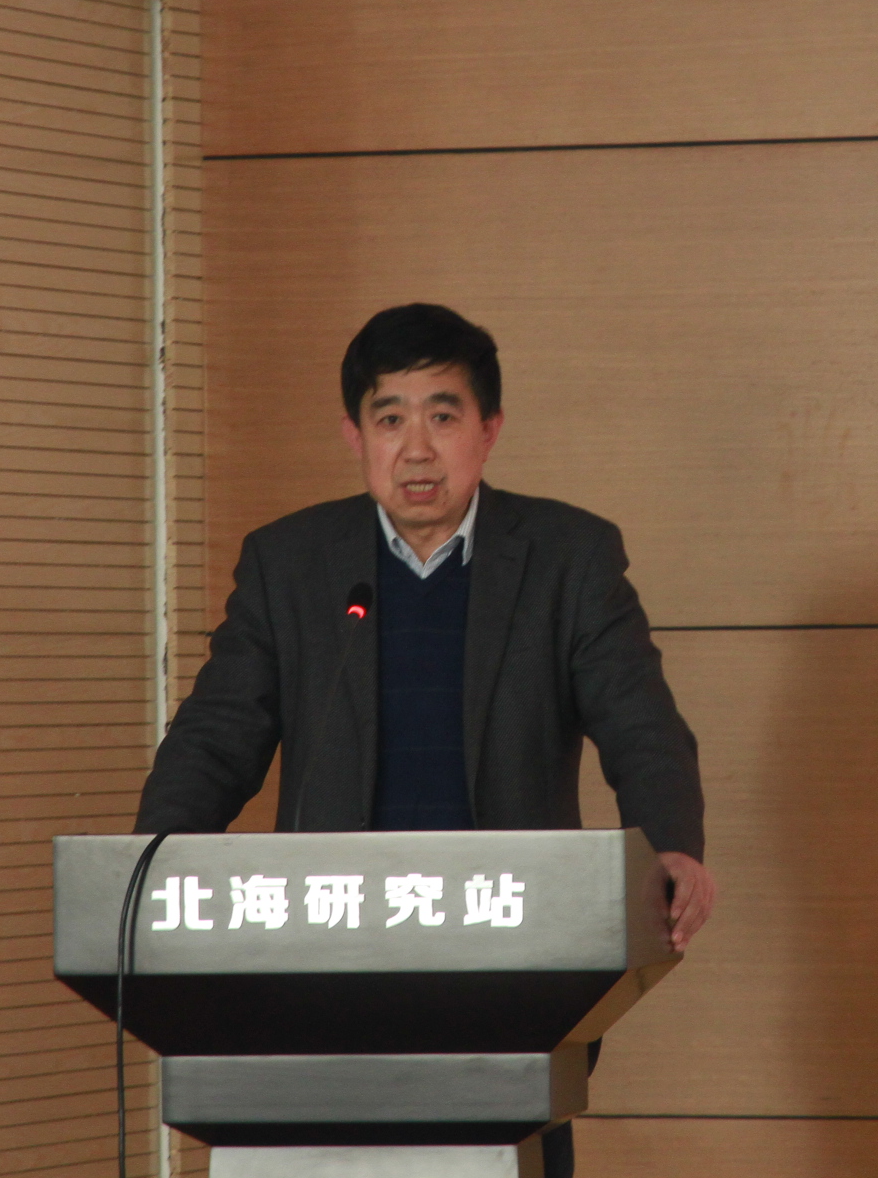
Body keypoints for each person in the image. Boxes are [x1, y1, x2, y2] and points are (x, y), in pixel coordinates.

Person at [135, 302, 714, 1178]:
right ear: (354, 434)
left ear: (489, 430)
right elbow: (218, 734)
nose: (416, 449)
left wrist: (672, 845)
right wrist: (149, 869)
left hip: (510, 953)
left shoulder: (567, 558)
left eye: (442, 417)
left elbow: (641, 722)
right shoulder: (291, 564)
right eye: (389, 419)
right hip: (323, 954)